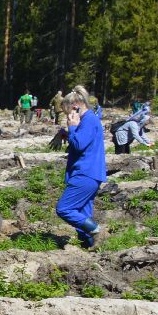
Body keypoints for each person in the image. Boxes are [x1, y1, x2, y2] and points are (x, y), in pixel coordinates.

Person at [57, 87, 105, 247]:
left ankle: (97, 230)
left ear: (75, 106)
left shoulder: (89, 120)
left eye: (67, 112)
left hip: (85, 173)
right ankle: (89, 245)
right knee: (82, 213)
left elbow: (79, 144)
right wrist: (69, 133)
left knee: (64, 209)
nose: (67, 116)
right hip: (90, 173)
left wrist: (72, 127)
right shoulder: (89, 120)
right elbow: (82, 143)